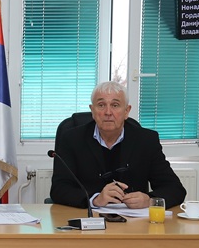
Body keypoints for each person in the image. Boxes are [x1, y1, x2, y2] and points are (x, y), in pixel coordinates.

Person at [50, 81, 186, 209]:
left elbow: (175, 188)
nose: (108, 112)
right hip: (88, 218)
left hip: (133, 221)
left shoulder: (146, 140)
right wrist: (95, 199)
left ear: (126, 111)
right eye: (101, 105)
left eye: (115, 105)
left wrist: (149, 200)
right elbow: (59, 189)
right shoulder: (71, 139)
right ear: (92, 110)